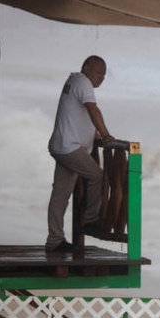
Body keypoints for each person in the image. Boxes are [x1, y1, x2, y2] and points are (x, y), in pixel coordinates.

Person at [44, 55, 115, 252]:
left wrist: (95, 135)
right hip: (70, 147)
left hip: (61, 145)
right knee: (97, 176)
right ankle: (90, 219)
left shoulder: (74, 81)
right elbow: (92, 110)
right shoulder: (83, 82)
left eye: (104, 75)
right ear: (87, 67)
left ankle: (54, 241)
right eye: (99, 72)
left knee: (60, 195)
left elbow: (77, 117)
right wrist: (106, 134)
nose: (102, 77)